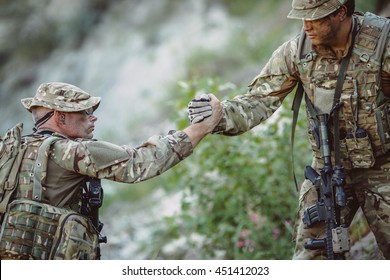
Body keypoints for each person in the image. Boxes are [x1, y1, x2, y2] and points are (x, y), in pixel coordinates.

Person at [188, 0, 390, 259]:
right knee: (308, 259)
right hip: (327, 170)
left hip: (383, 167)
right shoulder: (297, 52)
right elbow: (258, 102)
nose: (306, 25)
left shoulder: (382, 43)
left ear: (340, 12)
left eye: (314, 17)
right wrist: (218, 114)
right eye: (302, 17)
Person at [0, 81, 222, 260]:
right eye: (85, 112)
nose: (93, 117)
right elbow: (142, 163)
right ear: (61, 117)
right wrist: (202, 127)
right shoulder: (72, 152)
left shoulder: (8, 150)